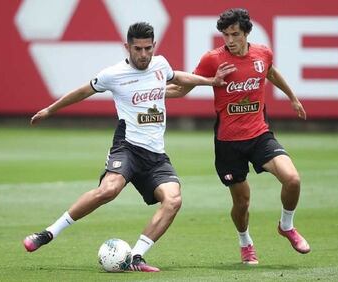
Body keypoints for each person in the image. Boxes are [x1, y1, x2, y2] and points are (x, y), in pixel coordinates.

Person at [23, 22, 234, 272]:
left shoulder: (160, 64)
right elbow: (82, 92)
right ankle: (48, 233)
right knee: (108, 190)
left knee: (173, 200)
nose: (144, 54)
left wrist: (212, 81)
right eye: (137, 49)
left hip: (156, 155)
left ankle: (136, 257)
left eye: (148, 48)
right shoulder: (113, 74)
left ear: (154, 46)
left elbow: (178, 76)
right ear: (127, 47)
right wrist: (50, 109)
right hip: (128, 147)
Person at [166, 8, 310, 265]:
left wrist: (293, 98)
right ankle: (245, 241)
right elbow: (182, 88)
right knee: (242, 203)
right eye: (225, 35)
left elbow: (271, 72)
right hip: (228, 143)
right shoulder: (212, 59)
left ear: (246, 33)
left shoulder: (262, 53)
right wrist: (147, 93)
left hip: (259, 135)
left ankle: (286, 226)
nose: (230, 40)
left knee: (293, 179)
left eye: (235, 34)